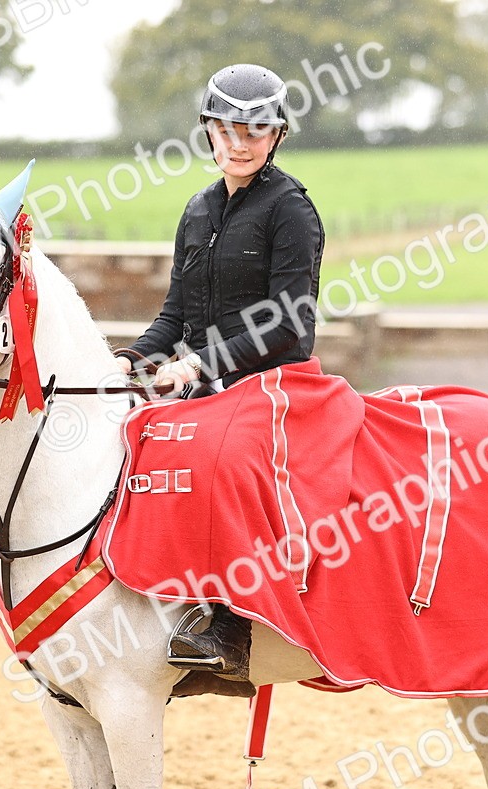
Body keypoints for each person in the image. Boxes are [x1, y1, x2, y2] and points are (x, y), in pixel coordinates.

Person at [114, 64, 326, 680]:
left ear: (276, 136)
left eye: (255, 131)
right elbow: (176, 313)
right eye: (228, 128)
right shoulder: (198, 210)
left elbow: (291, 324)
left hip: (273, 382)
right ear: (208, 130)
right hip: (198, 378)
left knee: (221, 458)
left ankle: (230, 625)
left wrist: (199, 364)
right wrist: (132, 357)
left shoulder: (292, 211)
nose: (240, 142)